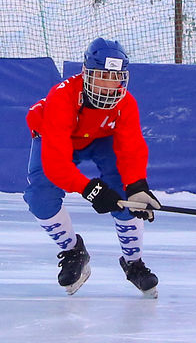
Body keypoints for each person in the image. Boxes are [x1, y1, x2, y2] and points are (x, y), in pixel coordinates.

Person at [25, 38, 163, 297]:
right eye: (102, 76)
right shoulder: (62, 97)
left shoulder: (126, 103)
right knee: (40, 196)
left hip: (101, 138)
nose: (108, 85)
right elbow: (56, 164)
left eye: (115, 77)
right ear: (86, 73)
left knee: (124, 193)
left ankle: (133, 262)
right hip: (58, 138)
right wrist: (91, 190)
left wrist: (137, 186)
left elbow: (132, 148)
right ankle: (73, 251)